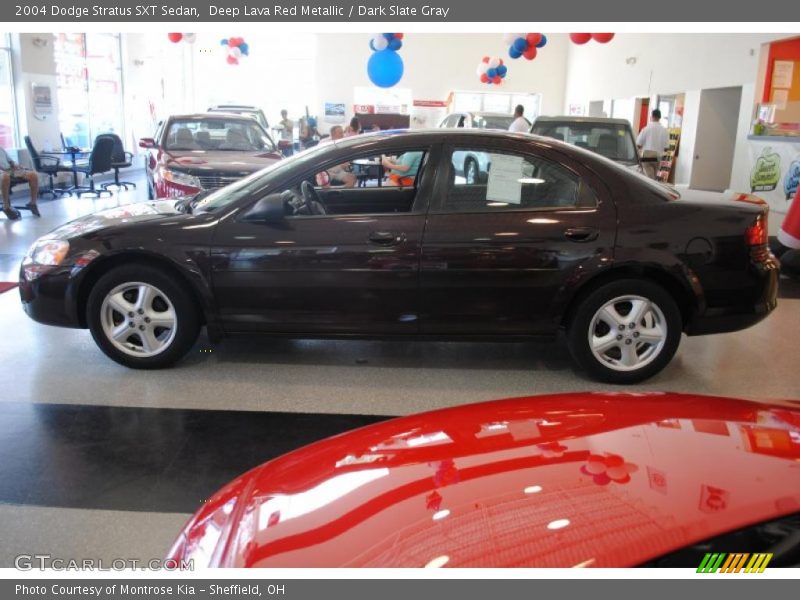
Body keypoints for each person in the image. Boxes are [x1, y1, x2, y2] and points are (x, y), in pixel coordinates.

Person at [1, 146, 39, 219]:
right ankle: (6, 207)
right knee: (5, 176)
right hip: (2, 173)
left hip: (10, 171)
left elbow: (10, 161)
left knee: (33, 175)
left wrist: (15, 165)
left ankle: (33, 203)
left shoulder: (1, 149)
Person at [637, 108, 670, 179]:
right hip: (657, 156)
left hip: (647, 155)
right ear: (660, 118)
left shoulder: (646, 129)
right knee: (653, 177)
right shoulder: (664, 131)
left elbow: (638, 144)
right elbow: (666, 148)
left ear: (651, 116)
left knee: (648, 177)